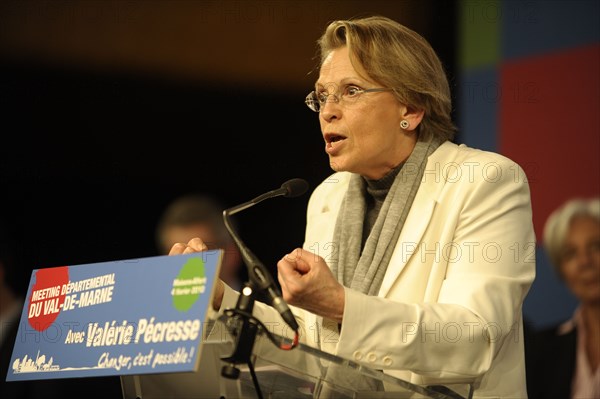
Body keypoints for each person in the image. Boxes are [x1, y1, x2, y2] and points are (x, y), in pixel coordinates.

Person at [170, 15, 535, 398]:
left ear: (409, 110)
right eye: (322, 95)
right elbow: (308, 345)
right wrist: (221, 300)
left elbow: (472, 339)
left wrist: (343, 306)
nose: (328, 111)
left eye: (351, 91)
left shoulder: (486, 181)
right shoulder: (329, 197)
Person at [525, 197, 600, 399]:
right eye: (571, 254)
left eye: (596, 247)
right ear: (561, 270)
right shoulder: (541, 350)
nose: (585, 262)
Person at [156, 193, 245, 290]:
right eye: (177, 253)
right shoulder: (152, 304)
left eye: (201, 252)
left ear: (232, 253)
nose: (187, 264)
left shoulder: (261, 303)